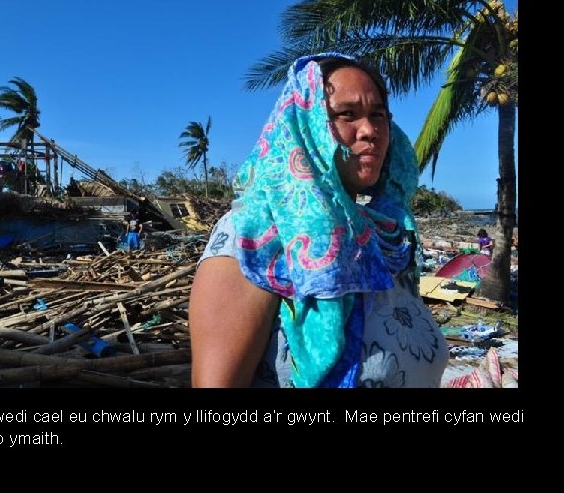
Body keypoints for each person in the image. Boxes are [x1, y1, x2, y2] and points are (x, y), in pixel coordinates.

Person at [189, 52, 448, 388]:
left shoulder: (384, 240)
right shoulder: (254, 237)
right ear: (307, 126)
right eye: (347, 114)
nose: (370, 130)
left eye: (379, 115)